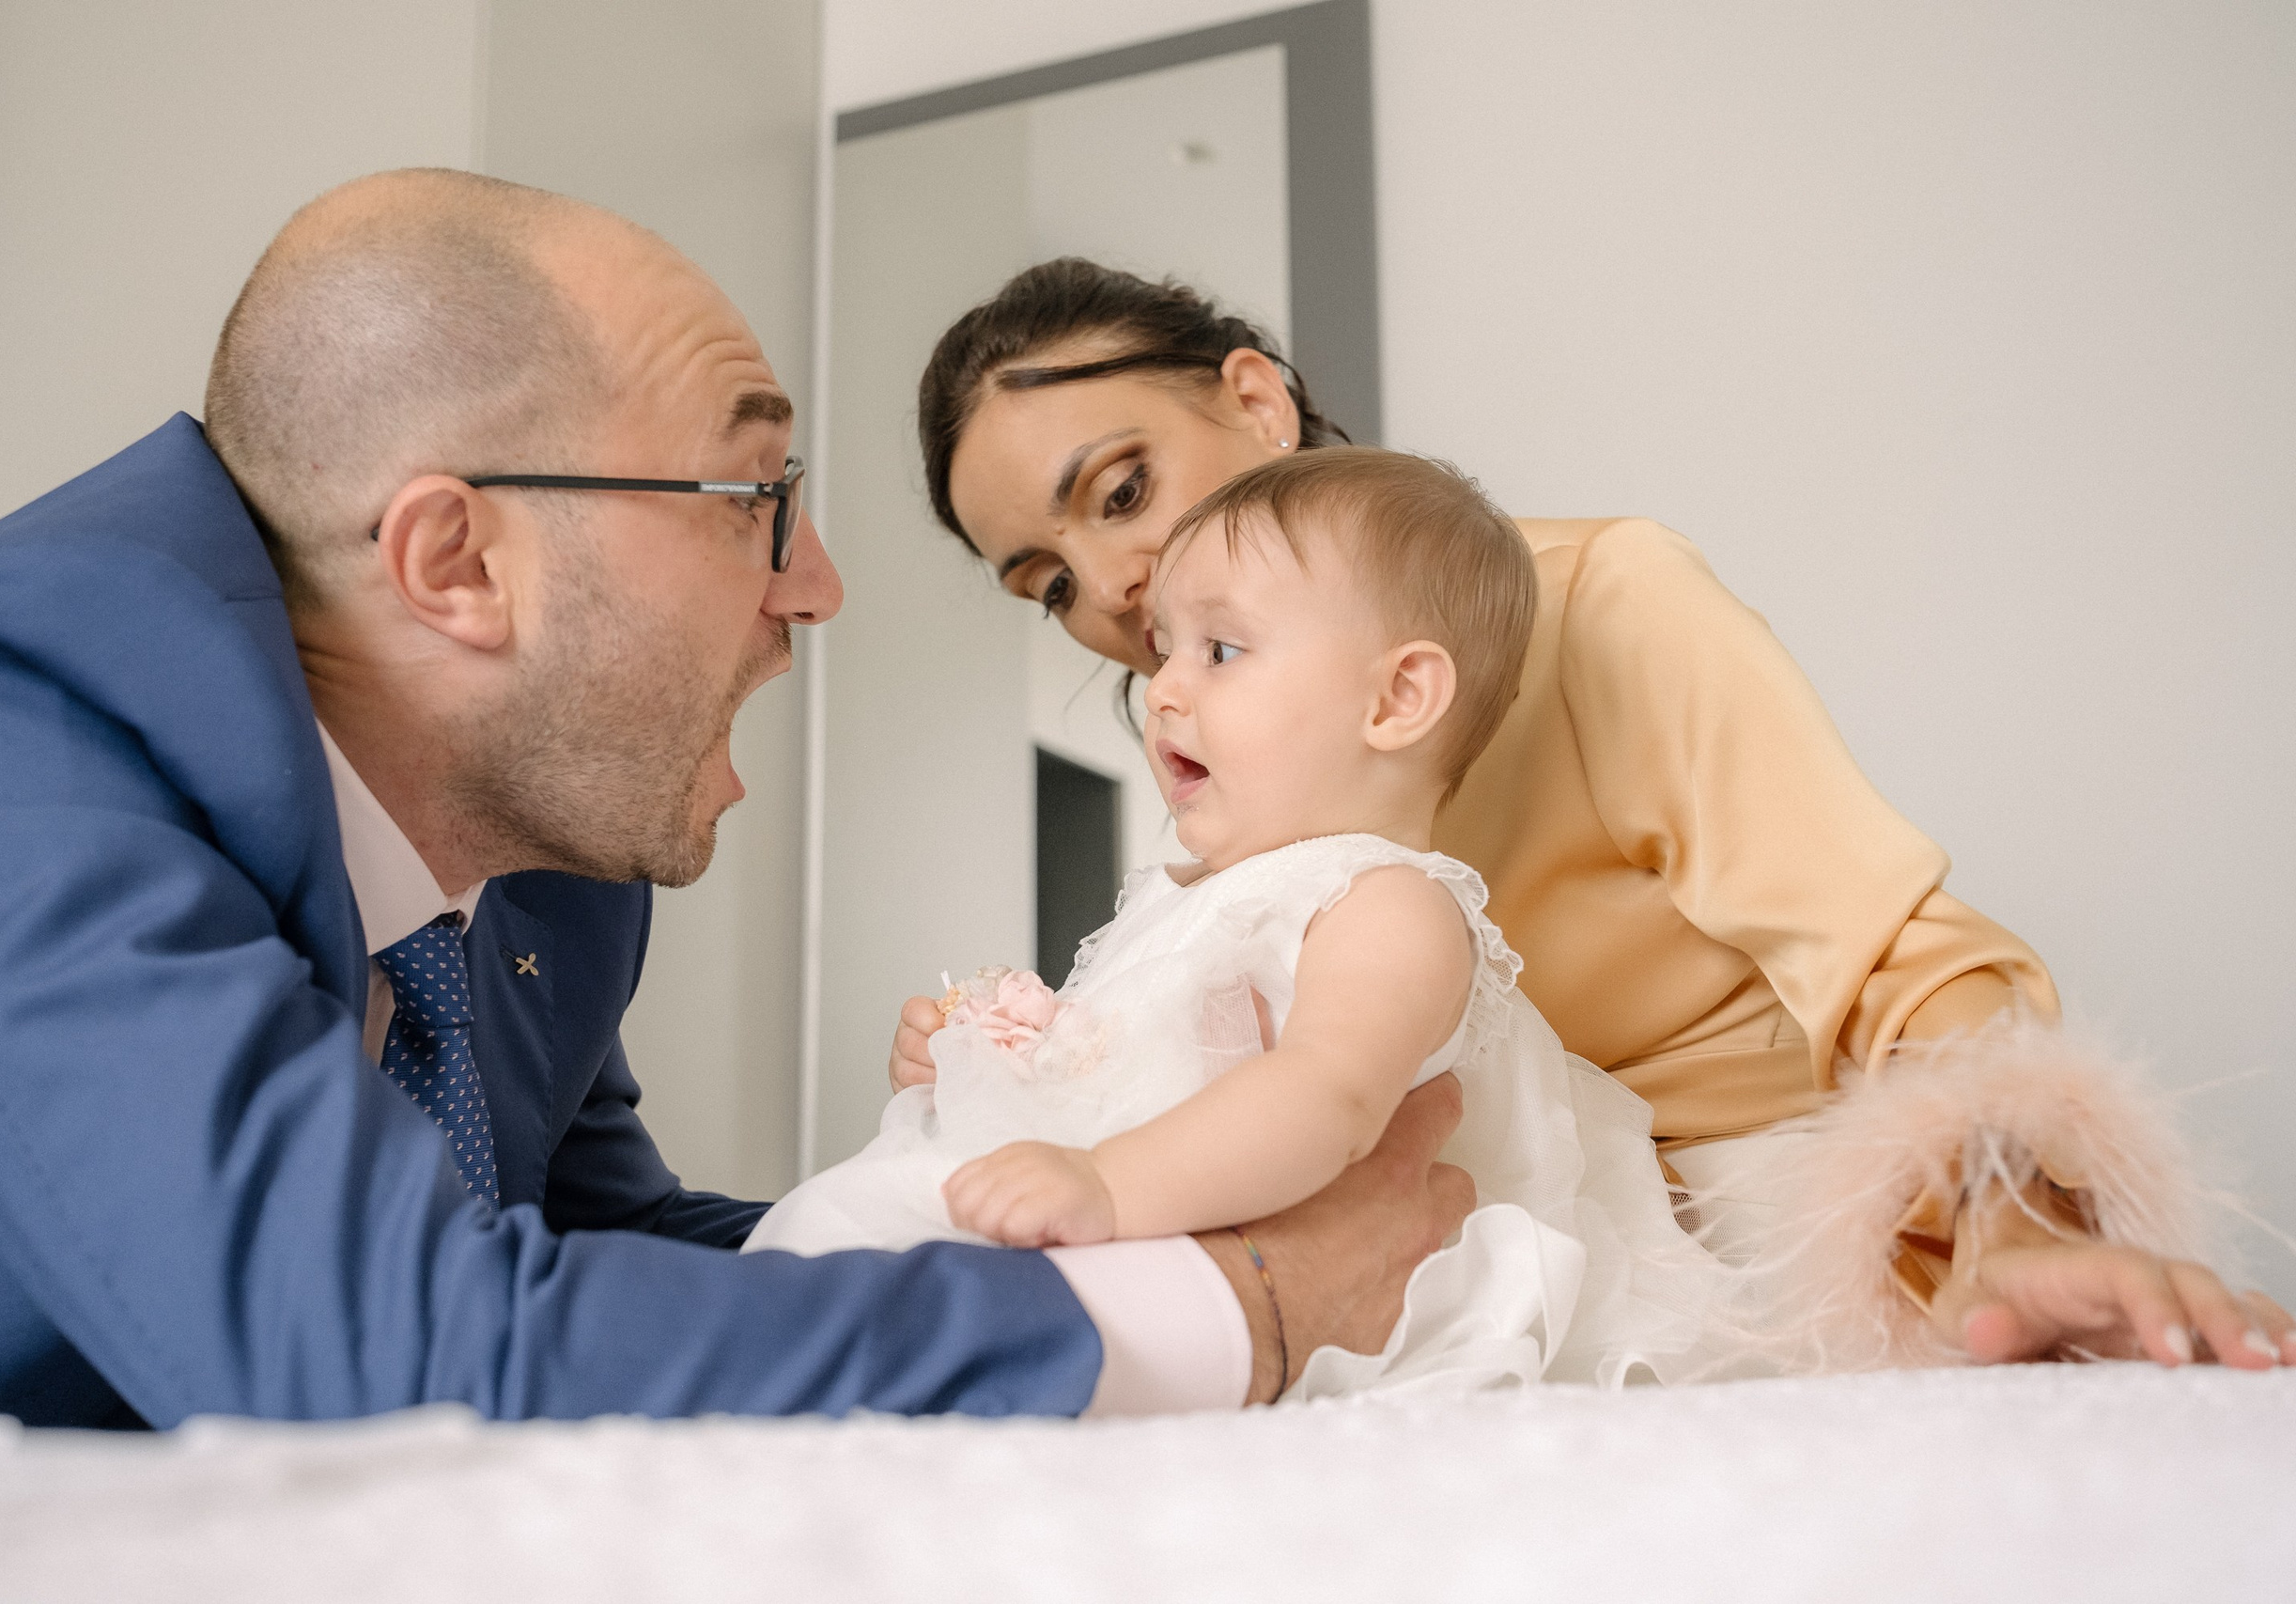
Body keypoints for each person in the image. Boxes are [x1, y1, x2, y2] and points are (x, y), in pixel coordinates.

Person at [0, 172, 1473, 1428]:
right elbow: (393, 1347)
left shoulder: (555, 869)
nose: (820, 587)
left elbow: (592, 1255)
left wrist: (1008, 1202)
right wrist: (1229, 1307)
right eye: (756, 501)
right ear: (458, 565)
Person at [898, 257, 2292, 1374]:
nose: (1111, 589)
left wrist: (2012, 1218)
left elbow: (1896, 961)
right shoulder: (1222, 777)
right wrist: (1006, 1060)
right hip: (1460, 1265)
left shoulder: (1604, 605)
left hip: (1730, 1248)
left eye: (1122, 491)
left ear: (1258, 403)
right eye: (1047, 580)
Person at [751, 448, 1727, 1401]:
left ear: (1396, 699)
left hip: (1305, 1255)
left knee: (882, 1242)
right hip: (1169, 1217)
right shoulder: (1186, 895)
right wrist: (986, 1059)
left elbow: (1325, 1100)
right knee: (845, 1225)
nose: (1165, 688)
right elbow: (1141, 1067)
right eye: (1165, 649)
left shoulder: (1387, 902)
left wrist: (1105, 1184)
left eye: (1220, 651)